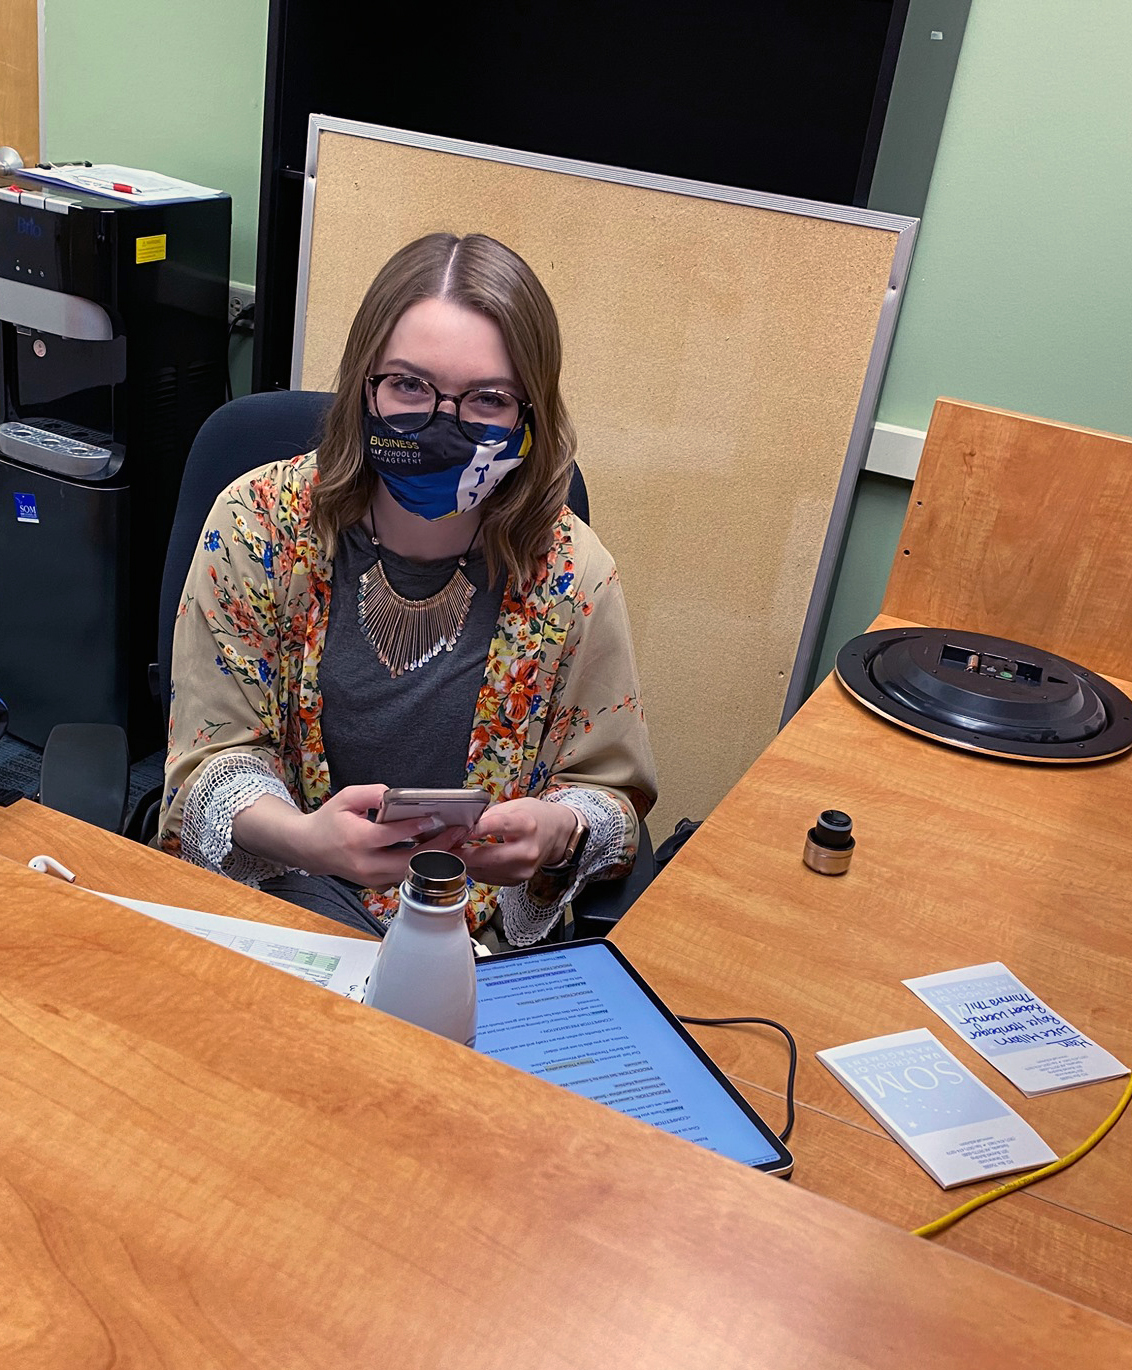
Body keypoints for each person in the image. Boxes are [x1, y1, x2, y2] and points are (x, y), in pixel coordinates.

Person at [158, 232, 656, 946]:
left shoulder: (574, 572)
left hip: (461, 932)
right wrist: (304, 840)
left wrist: (558, 830)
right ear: (366, 384)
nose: (441, 425)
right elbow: (216, 752)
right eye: (410, 385)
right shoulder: (258, 522)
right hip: (276, 907)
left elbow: (608, 791)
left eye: (487, 399)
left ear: (529, 416)